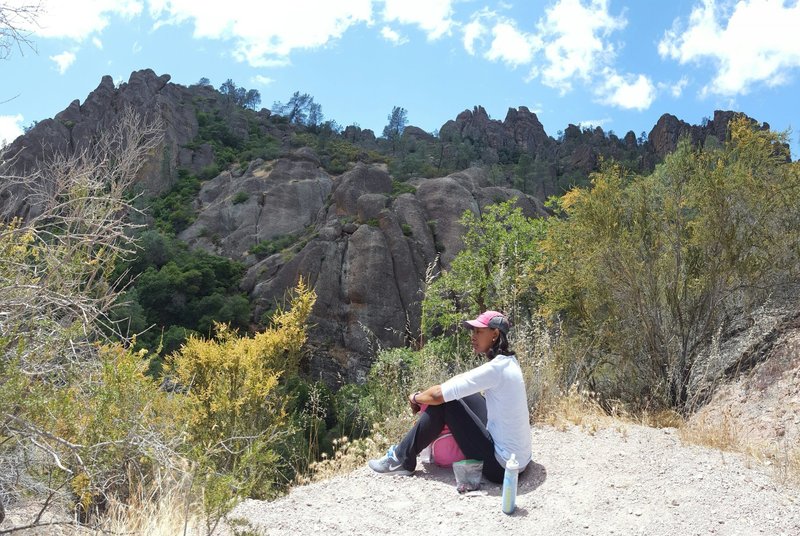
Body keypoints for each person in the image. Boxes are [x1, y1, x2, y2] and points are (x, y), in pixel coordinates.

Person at [368, 310, 531, 483]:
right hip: (520, 459)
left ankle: (400, 459)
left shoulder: (495, 369)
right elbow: (458, 383)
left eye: (479, 331)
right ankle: (404, 456)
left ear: (495, 334)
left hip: (502, 468)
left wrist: (415, 398)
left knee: (446, 403)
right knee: (464, 394)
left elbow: (438, 395)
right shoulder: (509, 362)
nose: (473, 337)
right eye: (473, 331)